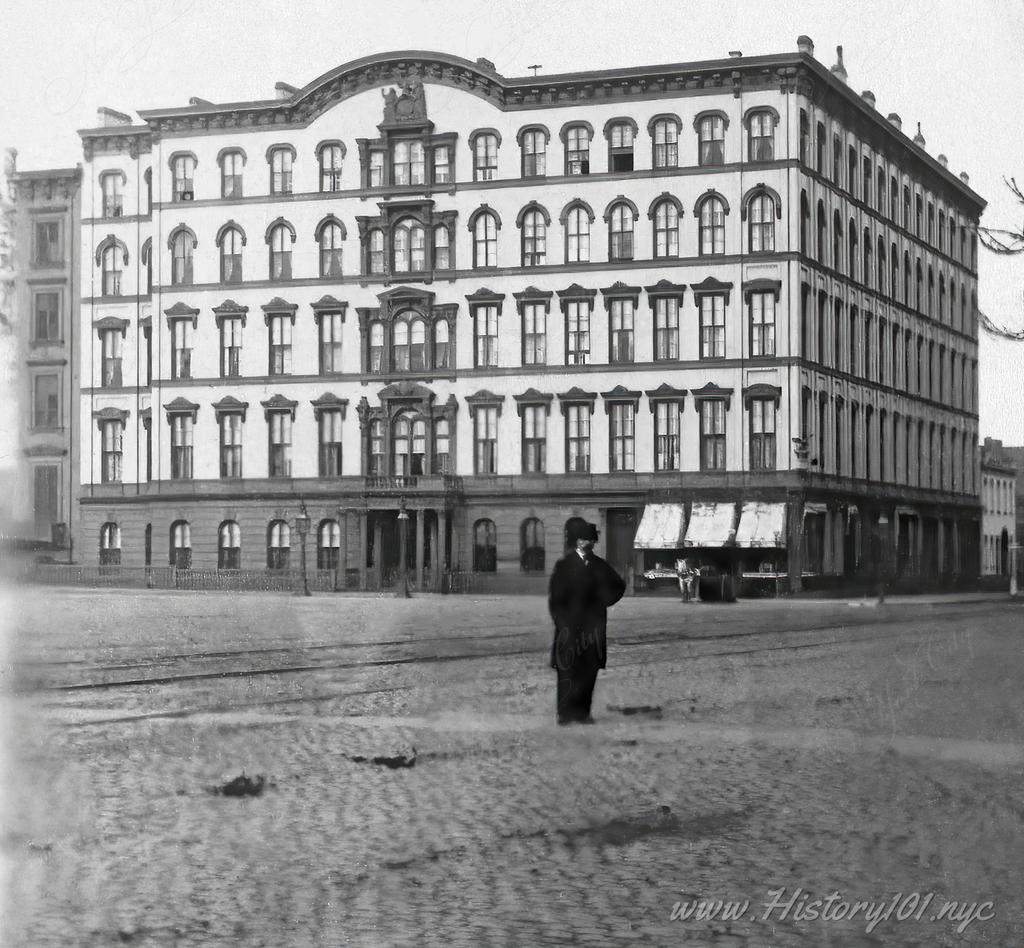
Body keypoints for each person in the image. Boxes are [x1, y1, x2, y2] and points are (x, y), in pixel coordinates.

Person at [548, 518, 626, 725]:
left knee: (588, 672)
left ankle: (583, 713)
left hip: (593, 628)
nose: (587, 543)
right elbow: (555, 598)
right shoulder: (563, 566)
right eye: (583, 539)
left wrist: (603, 601)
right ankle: (564, 714)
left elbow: (619, 586)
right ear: (576, 541)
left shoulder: (600, 565)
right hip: (569, 629)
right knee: (567, 672)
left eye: (590, 539)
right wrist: (561, 621)